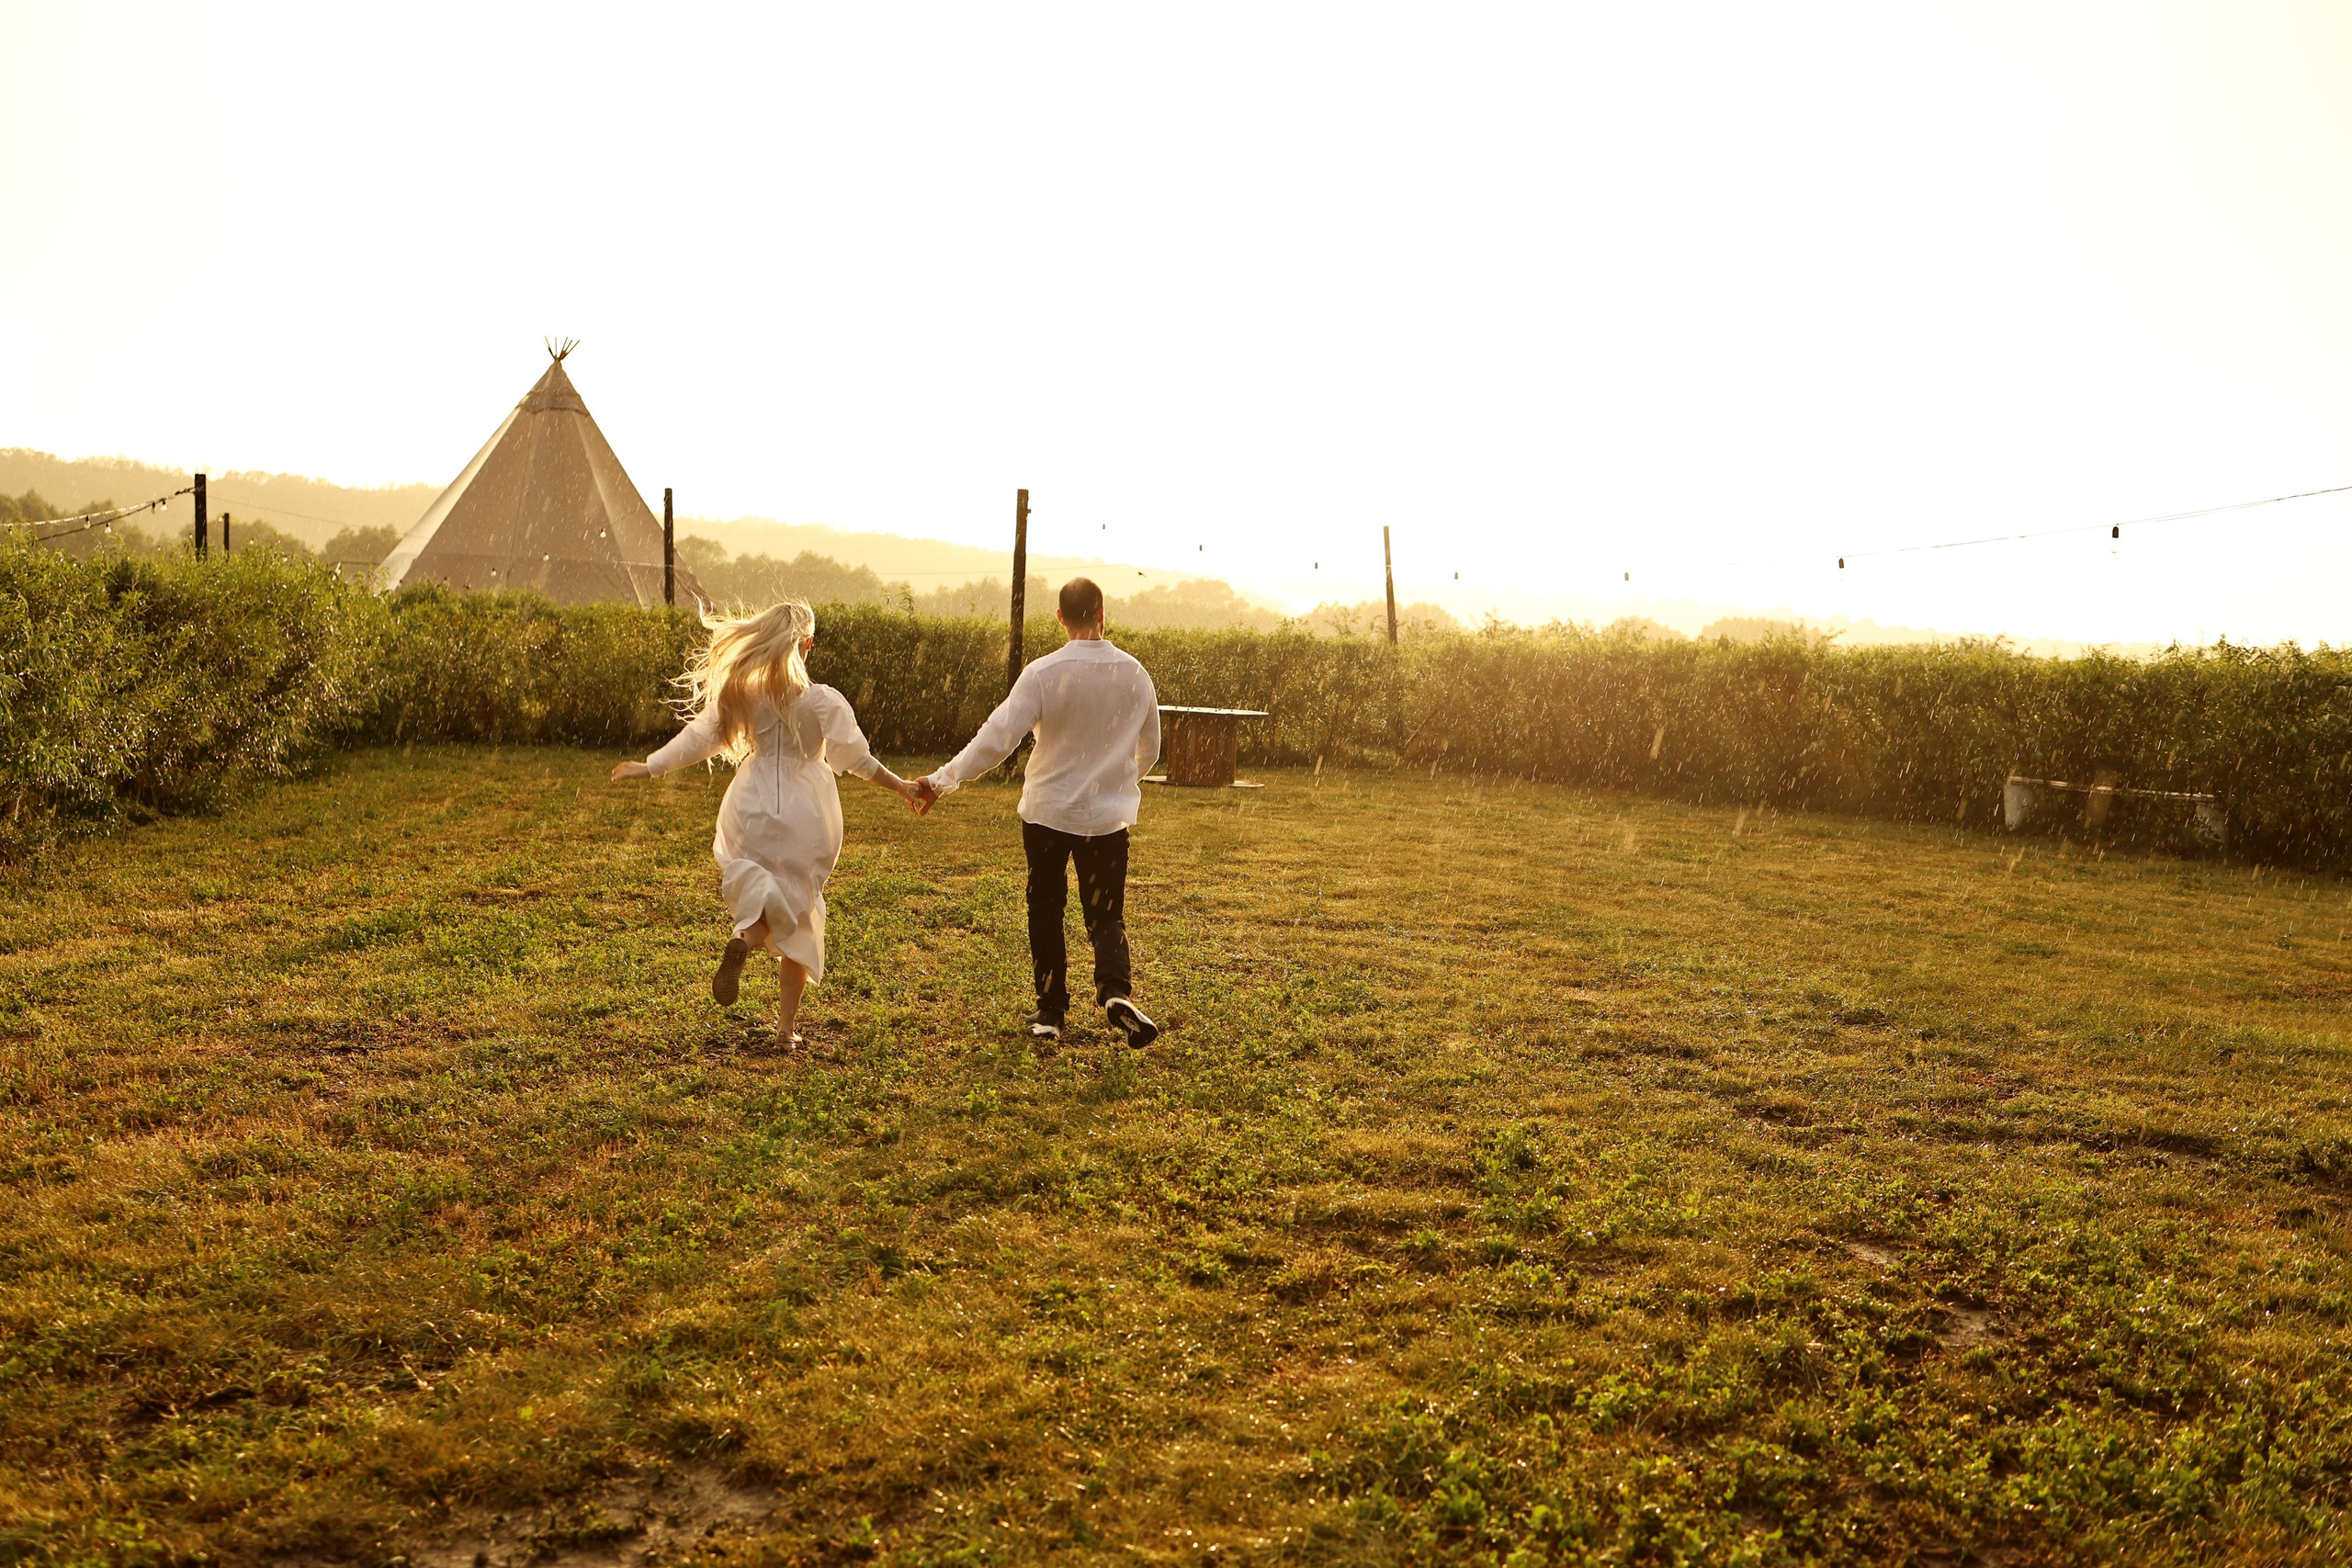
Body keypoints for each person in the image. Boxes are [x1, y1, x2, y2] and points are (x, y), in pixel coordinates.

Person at [611, 600, 923, 1045]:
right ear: (808, 644)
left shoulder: (743, 693)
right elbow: (857, 759)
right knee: (797, 911)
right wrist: (901, 787)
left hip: (751, 805)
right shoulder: (821, 700)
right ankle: (784, 1031)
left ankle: (744, 935)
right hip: (805, 812)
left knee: (762, 893)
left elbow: (701, 739)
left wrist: (650, 766)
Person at [914, 577, 1162, 1046]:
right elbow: (1150, 747)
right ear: (1103, 612)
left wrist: (942, 780)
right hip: (1108, 819)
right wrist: (1117, 779)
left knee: (1046, 908)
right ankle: (1114, 991)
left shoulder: (1043, 672)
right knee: (1106, 914)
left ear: (1060, 617)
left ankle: (1050, 1012)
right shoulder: (1134, 673)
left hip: (1047, 813)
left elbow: (997, 738)